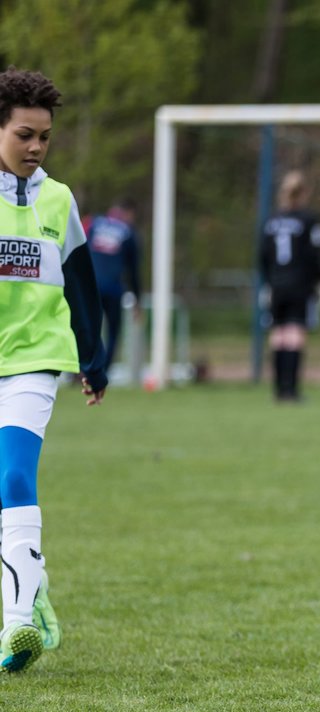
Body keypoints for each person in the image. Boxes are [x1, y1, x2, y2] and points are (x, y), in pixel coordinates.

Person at [0, 67, 109, 673]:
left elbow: (83, 288)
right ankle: (34, 592)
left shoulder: (59, 199)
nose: (36, 147)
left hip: (35, 363)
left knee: (14, 479)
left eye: (44, 136)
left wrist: (93, 360)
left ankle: (16, 627)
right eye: (23, 135)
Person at [258, 170, 320, 402]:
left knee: (278, 334)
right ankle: (291, 390)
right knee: (295, 333)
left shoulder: (271, 221)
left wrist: (267, 282)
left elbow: (263, 255)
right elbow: (314, 255)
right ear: (304, 193)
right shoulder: (308, 221)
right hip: (299, 284)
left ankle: (278, 390)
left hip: (276, 284)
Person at [86, 199, 142, 371]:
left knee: (87, 329)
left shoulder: (93, 224)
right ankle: (103, 371)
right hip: (113, 288)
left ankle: (83, 370)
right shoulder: (128, 231)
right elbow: (133, 271)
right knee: (112, 333)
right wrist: (137, 301)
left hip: (90, 286)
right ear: (129, 213)